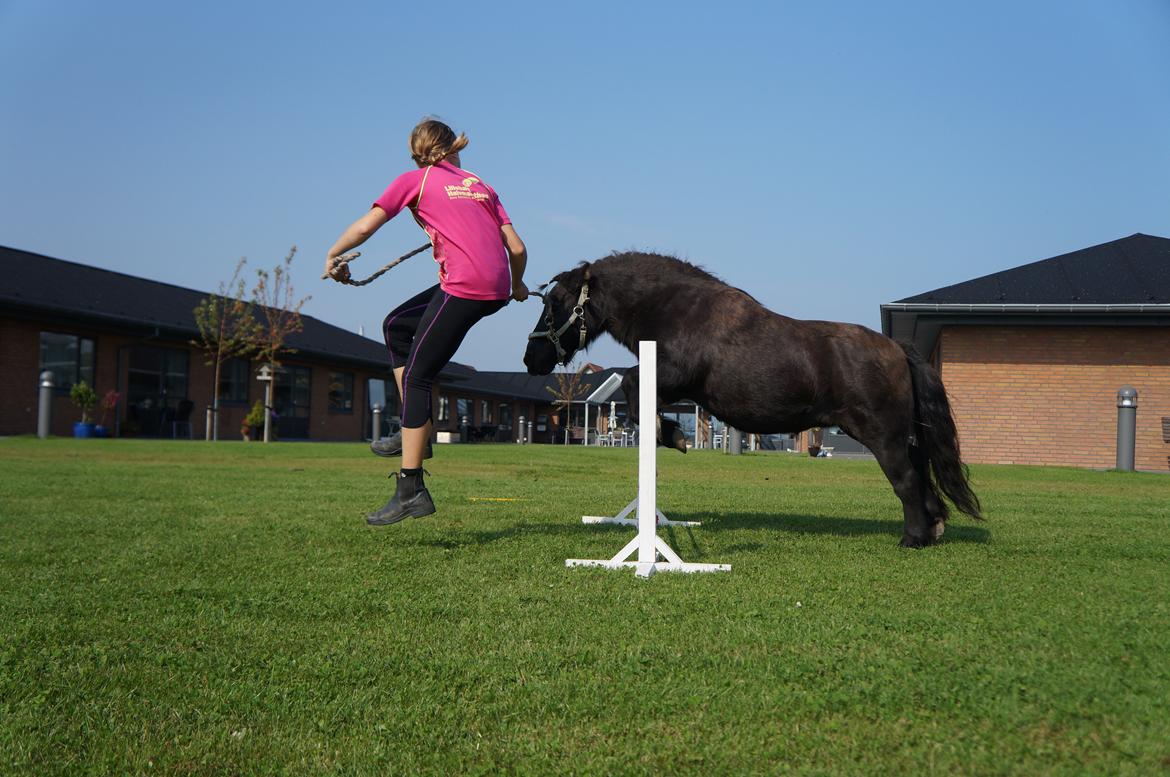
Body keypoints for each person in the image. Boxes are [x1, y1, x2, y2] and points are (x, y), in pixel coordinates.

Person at [324, 118, 528, 525]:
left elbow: (367, 226)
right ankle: (413, 432)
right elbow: (517, 248)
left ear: (417, 151)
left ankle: (411, 487)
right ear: (453, 146)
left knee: (417, 377)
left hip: (463, 287)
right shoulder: (480, 186)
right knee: (397, 326)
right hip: (495, 288)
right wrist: (517, 285)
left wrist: (333, 255)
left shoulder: (414, 180)